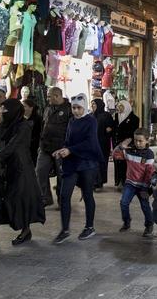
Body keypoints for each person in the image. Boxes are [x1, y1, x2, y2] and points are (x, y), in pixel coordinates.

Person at [0, 99, 45, 248]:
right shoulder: (4, 126)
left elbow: (11, 148)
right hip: (3, 169)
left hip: (20, 170)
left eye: (5, 111)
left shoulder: (24, 126)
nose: (2, 113)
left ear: (13, 112)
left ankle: (26, 231)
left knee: (19, 201)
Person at [52, 93, 103, 244]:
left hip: (87, 164)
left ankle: (89, 227)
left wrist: (70, 150)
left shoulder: (91, 121)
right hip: (72, 163)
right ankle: (65, 229)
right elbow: (68, 141)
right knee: (64, 195)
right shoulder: (71, 121)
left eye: (79, 108)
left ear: (85, 107)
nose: (76, 111)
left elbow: (90, 143)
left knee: (87, 195)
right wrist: (61, 150)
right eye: (73, 108)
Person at [114, 128, 155, 237]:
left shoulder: (149, 154)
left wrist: (146, 189)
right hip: (130, 183)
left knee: (145, 206)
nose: (137, 143)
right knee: (123, 203)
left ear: (147, 140)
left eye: (140, 141)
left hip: (143, 186)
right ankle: (126, 222)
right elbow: (115, 155)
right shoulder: (129, 150)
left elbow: (149, 173)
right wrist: (121, 146)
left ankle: (149, 225)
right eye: (136, 140)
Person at [36, 87, 72, 207]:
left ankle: (62, 200)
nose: (47, 98)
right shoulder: (47, 108)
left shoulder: (69, 109)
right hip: (45, 147)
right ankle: (45, 197)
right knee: (40, 171)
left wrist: (68, 148)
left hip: (61, 148)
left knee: (61, 176)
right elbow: (43, 125)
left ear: (57, 96)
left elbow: (72, 130)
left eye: (49, 96)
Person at [113, 101, 139, 190]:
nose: (119, 108)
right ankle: (119, 182)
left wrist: (126, 142)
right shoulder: (116, 116)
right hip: (117, 144)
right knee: (118, 163)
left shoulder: (134, 118)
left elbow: (133, 133)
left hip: (127, 145)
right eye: (118, 106)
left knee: (126, 164)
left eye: (121, 106)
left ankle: (126, 183)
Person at [91, 98, 115, 189]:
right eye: (92, 104)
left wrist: (109, 130)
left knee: (102, 163)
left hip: (103, 144)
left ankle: (99, 181)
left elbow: (111, 128)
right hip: (93, 143)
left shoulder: (106, 115)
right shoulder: (91, 116)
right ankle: (94, 181)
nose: (92, 106)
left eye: (94, 104)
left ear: (99, 105)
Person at [22, 98, 43, 164]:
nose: (22, 108)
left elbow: (39, 133)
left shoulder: (38, 119)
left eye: (24, 106)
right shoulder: (21, 119)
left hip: (34, 148)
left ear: (31, 108)